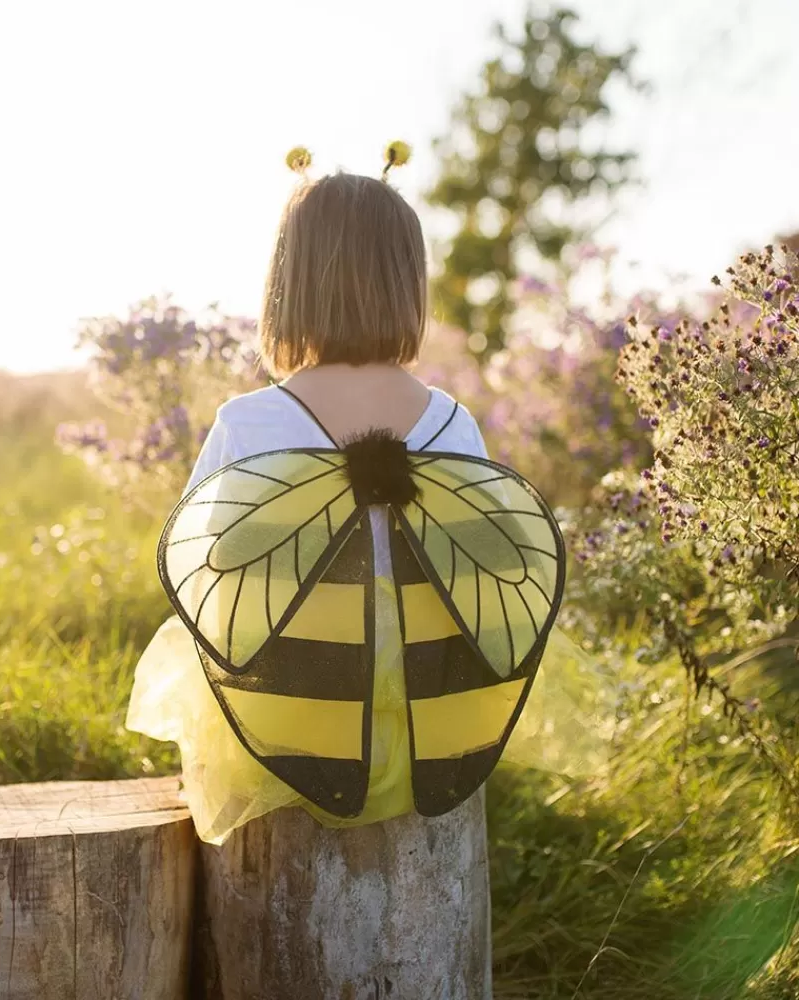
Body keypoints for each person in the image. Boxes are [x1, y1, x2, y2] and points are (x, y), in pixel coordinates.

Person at [126, 143, 609, 846]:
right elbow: (484, 579)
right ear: (408, 283)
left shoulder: (250, 423)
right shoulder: (452, 421)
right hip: (433, 720)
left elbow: (207, 583)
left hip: (291, 719)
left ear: (287, 283)